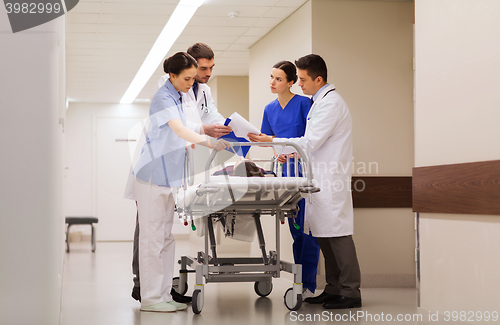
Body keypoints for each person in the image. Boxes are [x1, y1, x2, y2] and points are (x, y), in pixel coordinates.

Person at [248, 54, 361, 309]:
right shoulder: (319, 102)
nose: (300, 84)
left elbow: (310, 142)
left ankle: (351, 291)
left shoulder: (330, 104)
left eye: (302, 79)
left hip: (330, 179)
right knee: (323, 234)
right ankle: (333, 287)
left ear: (318, 79)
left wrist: (272, 141)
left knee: (338, 235)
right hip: (316, 178)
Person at [130, 43, 232, 304]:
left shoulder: (179, 94)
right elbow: (180, 129)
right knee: (152, 237)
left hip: (170, 172)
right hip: (154, 173)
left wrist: (223, 129)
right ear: (173, 76)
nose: (192, 83)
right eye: (188, 77)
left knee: (165, 237)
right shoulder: (164, 95)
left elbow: (201, 119)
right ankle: (151, 297)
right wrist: (207, 140)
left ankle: (164, 295)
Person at [247, 61, 320, 299]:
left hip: (304, 172)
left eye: (278, 79)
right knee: (295, 228)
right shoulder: (269, 108)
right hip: (285, 174)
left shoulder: (304, 104)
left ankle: (307, 284)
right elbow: (269, 140)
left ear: (291, 82)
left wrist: (278, 142)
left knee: (308, 232)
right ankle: (300, 282)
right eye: (271, 77)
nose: (272, 82)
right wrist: (259, 140)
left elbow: (311, 138)